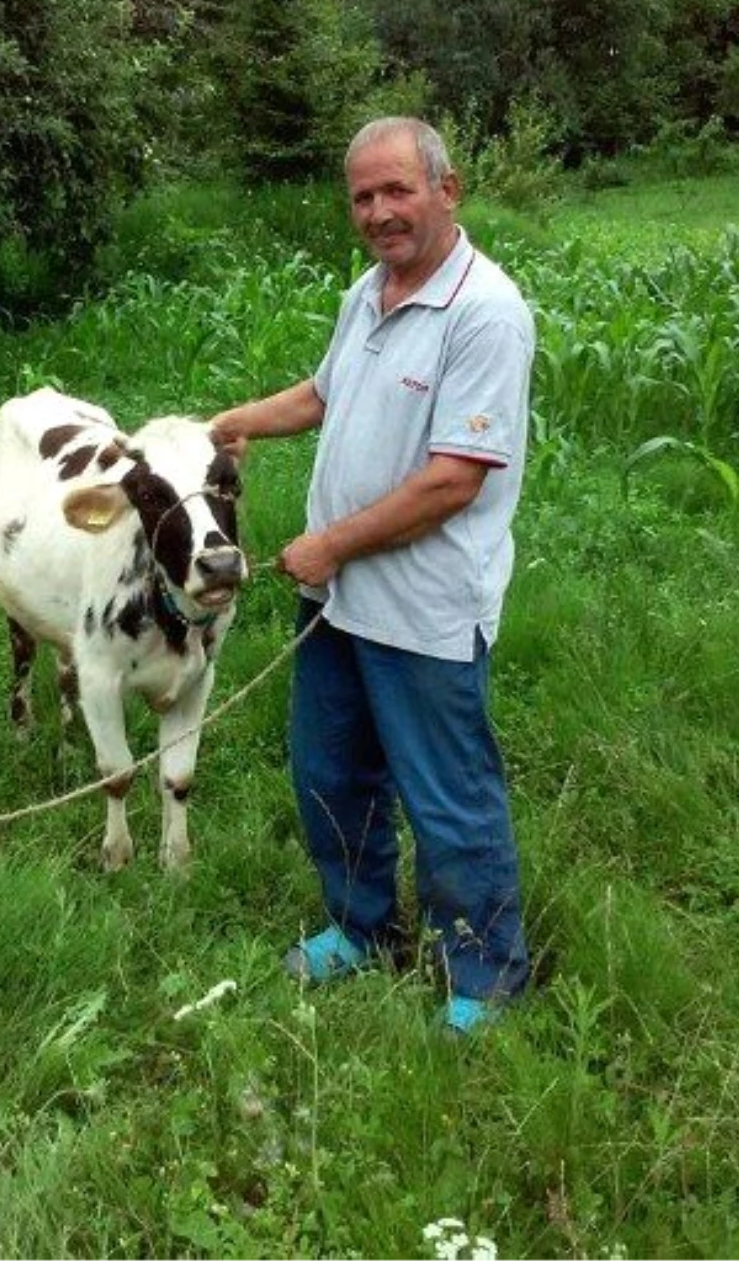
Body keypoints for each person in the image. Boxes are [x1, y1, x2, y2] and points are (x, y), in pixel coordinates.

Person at [212, 116, 533, 1034]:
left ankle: (486, 975)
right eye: (363, 196)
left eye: (398, 190)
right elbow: (324, 394)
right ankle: (362, 929)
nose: (380, 212)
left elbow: (452, 481)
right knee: (329, 772)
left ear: (448, 189)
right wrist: (233, 419)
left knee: (448, 794)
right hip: (339, 603)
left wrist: (330, 545)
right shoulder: (371, 291)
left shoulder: (486, 314)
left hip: (423, 612)